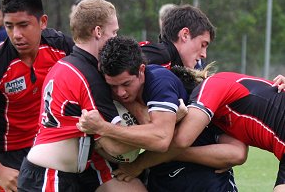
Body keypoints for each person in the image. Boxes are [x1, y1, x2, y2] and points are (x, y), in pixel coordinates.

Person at [77, 36, 247, 191]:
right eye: (114, 86)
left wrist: (104, 128)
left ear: (141, 70)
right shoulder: (113, 91)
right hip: (163, 178)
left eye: (126, 84)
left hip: (204, 180)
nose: (120, 92)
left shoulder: (159, 81)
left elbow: (161, 140)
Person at [17, 0, 146, 192]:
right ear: (98, 32)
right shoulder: (89, 76)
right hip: (49, 177)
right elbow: (117, 147)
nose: (116, 38)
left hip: (55, 172)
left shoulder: (67, 63)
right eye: (114, 32)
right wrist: (157, 132)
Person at [126, 65, 285, 191]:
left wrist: (138, 164)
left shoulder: (211, 85)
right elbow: (237, 154)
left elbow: (181, 141)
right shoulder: (220, 117)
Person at [0, 0, 74, 191]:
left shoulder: (59, 46)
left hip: (44, 143)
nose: (16, 34)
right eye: (9, 26)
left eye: (24, 25)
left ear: (42, 22)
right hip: (4, 155)